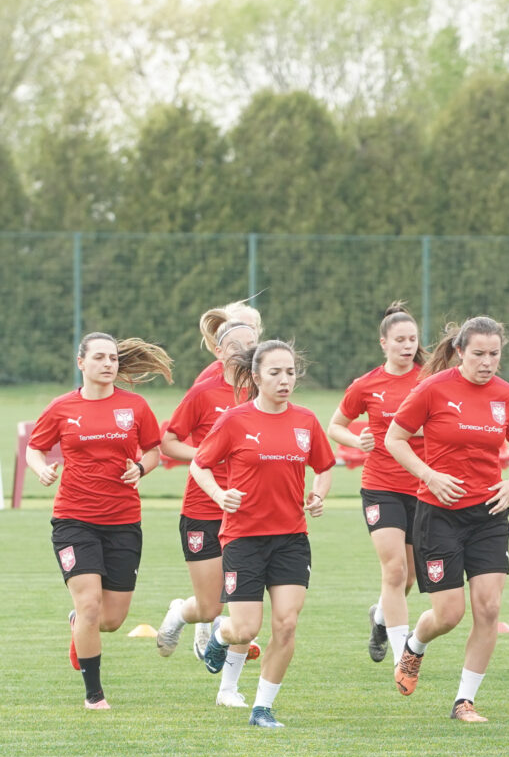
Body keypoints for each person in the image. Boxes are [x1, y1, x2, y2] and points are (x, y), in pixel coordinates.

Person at [385, 316, 509, 724]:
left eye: (495, 354)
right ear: (461, 351)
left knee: (489, 607)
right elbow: (394, 438)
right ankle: (413, 646)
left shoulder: (508, 395)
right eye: (479, 353)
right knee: (449, 614)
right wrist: (429, 474)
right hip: (438, 513)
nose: (487, 362)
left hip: (488, 513)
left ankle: (464, 701)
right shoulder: (433, 389)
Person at [190, 340, 335, 728]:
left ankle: (262, 708)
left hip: (291, 538)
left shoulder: (306, 421)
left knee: (286, 624)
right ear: (256, 377)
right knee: (246, 628)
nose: (285, 380)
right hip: (243, 538)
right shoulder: (236, 420)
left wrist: (318, 495)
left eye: (290, 372)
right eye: (275, 373)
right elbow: (199, 465)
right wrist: (220, 494)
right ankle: (221, 637)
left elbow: (324, 466)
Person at [28, 333, 170, 709]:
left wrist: (140, 468)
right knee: (91, 605)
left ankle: (79, 623)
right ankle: (95, 696)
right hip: (74, 519)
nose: (108, 364)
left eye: (113, 359)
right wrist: (41, 469)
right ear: (82, 363)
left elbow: (155, 452)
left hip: (123, 521)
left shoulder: (135, 407)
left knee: (110, 620)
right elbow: (35, 448)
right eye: (100, 358)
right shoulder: (61, 407)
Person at [155, 303, 263, 707]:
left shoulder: (264, 388)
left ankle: (228, 690)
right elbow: (168, 442)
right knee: (211, 604)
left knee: (242, 604)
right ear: (219, 352)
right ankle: (182, 615)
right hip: (203, 508)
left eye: (253, 344)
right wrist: (208, 452)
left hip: (250, 513)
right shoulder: (204, 390)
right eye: (238, 346)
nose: (246, 353)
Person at [328, 302, 425, 665]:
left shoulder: (430, 379)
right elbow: (335, 425)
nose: (407, 345)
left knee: (410, 577)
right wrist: (357, 441)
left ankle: (381, 619)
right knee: (395, 570)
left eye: (412, 339)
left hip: (422, 487)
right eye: (399, 339)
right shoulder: (366, 385)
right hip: (381, 486)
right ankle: (404, 657)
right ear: (383, 343)